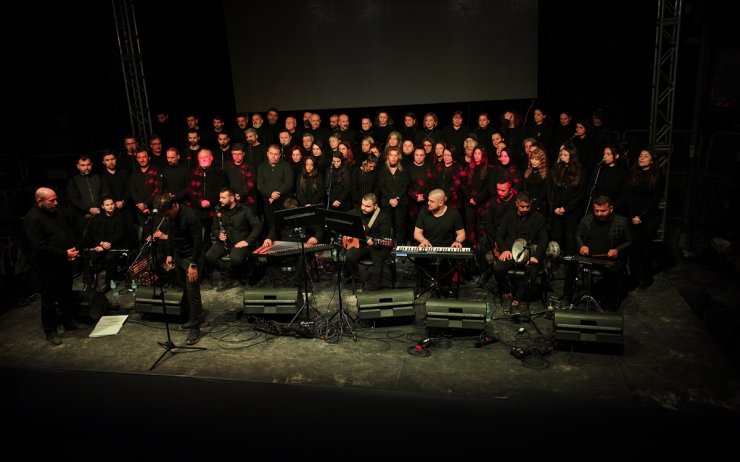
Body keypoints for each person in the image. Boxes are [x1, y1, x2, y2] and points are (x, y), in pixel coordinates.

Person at [24, 187, 87, 345]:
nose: (56, 203)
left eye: (56, 199)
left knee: (65, 292)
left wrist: (71, 251)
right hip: (47, 266)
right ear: (40, 202)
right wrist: (64, 253)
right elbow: (39, 247)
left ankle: (69, 321)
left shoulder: (55, 212)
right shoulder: (33, 219)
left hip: (63, 261)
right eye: (52, 200)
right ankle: (50, 330)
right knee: (49, 299)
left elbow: (65, 233)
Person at [155, 193, 205, 346]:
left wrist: (194, 265)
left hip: (191, 257)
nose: (167, 217)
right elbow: (172, 236)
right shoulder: (170, 217)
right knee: (186, 290)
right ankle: (196, 317)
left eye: (168, 214)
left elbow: (198, 243)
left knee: (192, 292)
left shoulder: (190, 216)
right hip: (178, 255)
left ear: (174, 205)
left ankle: (195, 328)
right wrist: (170, 254)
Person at [573, 195, 633, 311]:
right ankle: (571, 298)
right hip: (589, 258)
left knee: (614, 273)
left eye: (603, 211)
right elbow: (578, 235)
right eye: (597, 211)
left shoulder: (621, 221)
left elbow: (629, 240)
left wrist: (617, 250)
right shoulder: (587, 220)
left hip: (610, 260)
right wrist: (582, 246)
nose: (599, 214)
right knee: (571, 266)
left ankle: (610, 304)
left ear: (611, 209)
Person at [492, 192, 549, 314]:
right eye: (522, 207)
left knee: (532, 271)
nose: (525, 209)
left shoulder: (538, 217)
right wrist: (505, 250)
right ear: (516, 204)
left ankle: (517, 299)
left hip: (530, 254)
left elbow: (544, 239)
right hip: (512, 252)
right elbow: (500, 235)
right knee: (498, 269)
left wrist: (536, 256)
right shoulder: (509, 215)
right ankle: (507, 291)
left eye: (528, 206)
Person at [258, 198, 325, 288]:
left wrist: (315, 238)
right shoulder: (281, 220)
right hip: (285, 246)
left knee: (302, 255)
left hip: (302, 246)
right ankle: (280, 282)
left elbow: (319, 230)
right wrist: (268, 238)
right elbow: (273, 231)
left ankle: (295, 282)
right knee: (270, 256)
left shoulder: (305, 218)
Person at [205, 187, 263, 291]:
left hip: (240, 242)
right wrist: (218, 234)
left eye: (223, 198)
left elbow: (258, 226)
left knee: (235, 259)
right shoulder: (219, 209)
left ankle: (234, 277)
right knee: (209, 256)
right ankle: (231, 274)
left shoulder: (245, 210)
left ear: (231, 198)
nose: (220, 200)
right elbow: (214, 228)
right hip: (225, 242)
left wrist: (247, 241)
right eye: (220, 197)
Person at [413, 189, 466, 297]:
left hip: (446, 250)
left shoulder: (453, 214)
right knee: (418, 259)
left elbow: (461, 234)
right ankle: (428, 285)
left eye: (431, 201)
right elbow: (417, 233)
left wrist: (457, 241)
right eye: (428, 200)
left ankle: (442, 287)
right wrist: (423, 240)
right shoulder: (424, 212)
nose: (428, 203)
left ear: (441, 203)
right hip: (428, 248)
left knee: (448, 267)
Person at [628, 148, 665, 290]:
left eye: (646, 156)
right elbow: (630, 196)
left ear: (652, 160)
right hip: (634, 215)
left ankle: (646, 277)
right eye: (640, 155)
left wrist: (641, 216)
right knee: (634, 247)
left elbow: (655, 200)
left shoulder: (657, 176)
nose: (641, 158)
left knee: (645, 247)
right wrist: (632, 215)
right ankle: (634, 276)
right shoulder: (634, 174)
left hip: (649, 216)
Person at [345, 193, 394, 291]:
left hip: (378, 245)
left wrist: (374, 241)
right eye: (362, 204)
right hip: (363, 245)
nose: (363, 208)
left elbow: (385, 237)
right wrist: (348, 233)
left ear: (375, 206)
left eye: (367, 206)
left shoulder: (384, 217)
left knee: (377, 260)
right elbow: (344, 218)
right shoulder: (357, 212)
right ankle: (359, 279)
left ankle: (374, 289)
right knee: (350, 256)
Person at [90, 194, 129, 291]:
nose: (110, 206)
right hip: (104, 244)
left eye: (112, 204)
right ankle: (89, 283)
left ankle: (109, 284)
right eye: (107, 205)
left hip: (117, 245)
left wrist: (105, 245)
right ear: (103, 206)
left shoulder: (120, 217)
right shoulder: (99, 218)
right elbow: (95, 234)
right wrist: (101, 243)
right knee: (90, 255)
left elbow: (120, 234)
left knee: (109, 258)